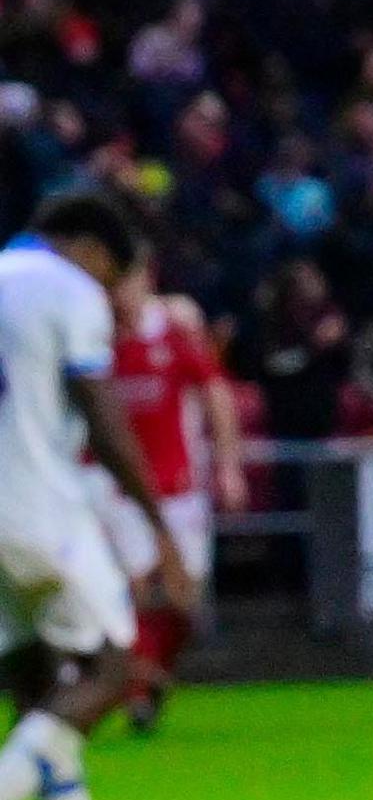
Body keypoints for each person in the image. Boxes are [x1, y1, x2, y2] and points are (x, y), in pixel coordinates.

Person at [0, 192, 190, 800]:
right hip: (38, 505)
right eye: (113, 278)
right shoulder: (66, 289)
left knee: (35, 688)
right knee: (113, 667)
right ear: (90, 249)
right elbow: (104, 420)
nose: (111, 298)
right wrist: (159, 528)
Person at [87, 265, 240, 730]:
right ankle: (135, 691)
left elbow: (215, 390)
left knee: (184, 599)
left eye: (128, 285)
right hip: (117, 489)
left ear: (146, 285)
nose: (121, 297)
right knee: (132, 590)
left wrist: (228, 465)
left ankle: (150, 677)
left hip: (178, 489)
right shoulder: (92, 338)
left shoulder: (172, 335)